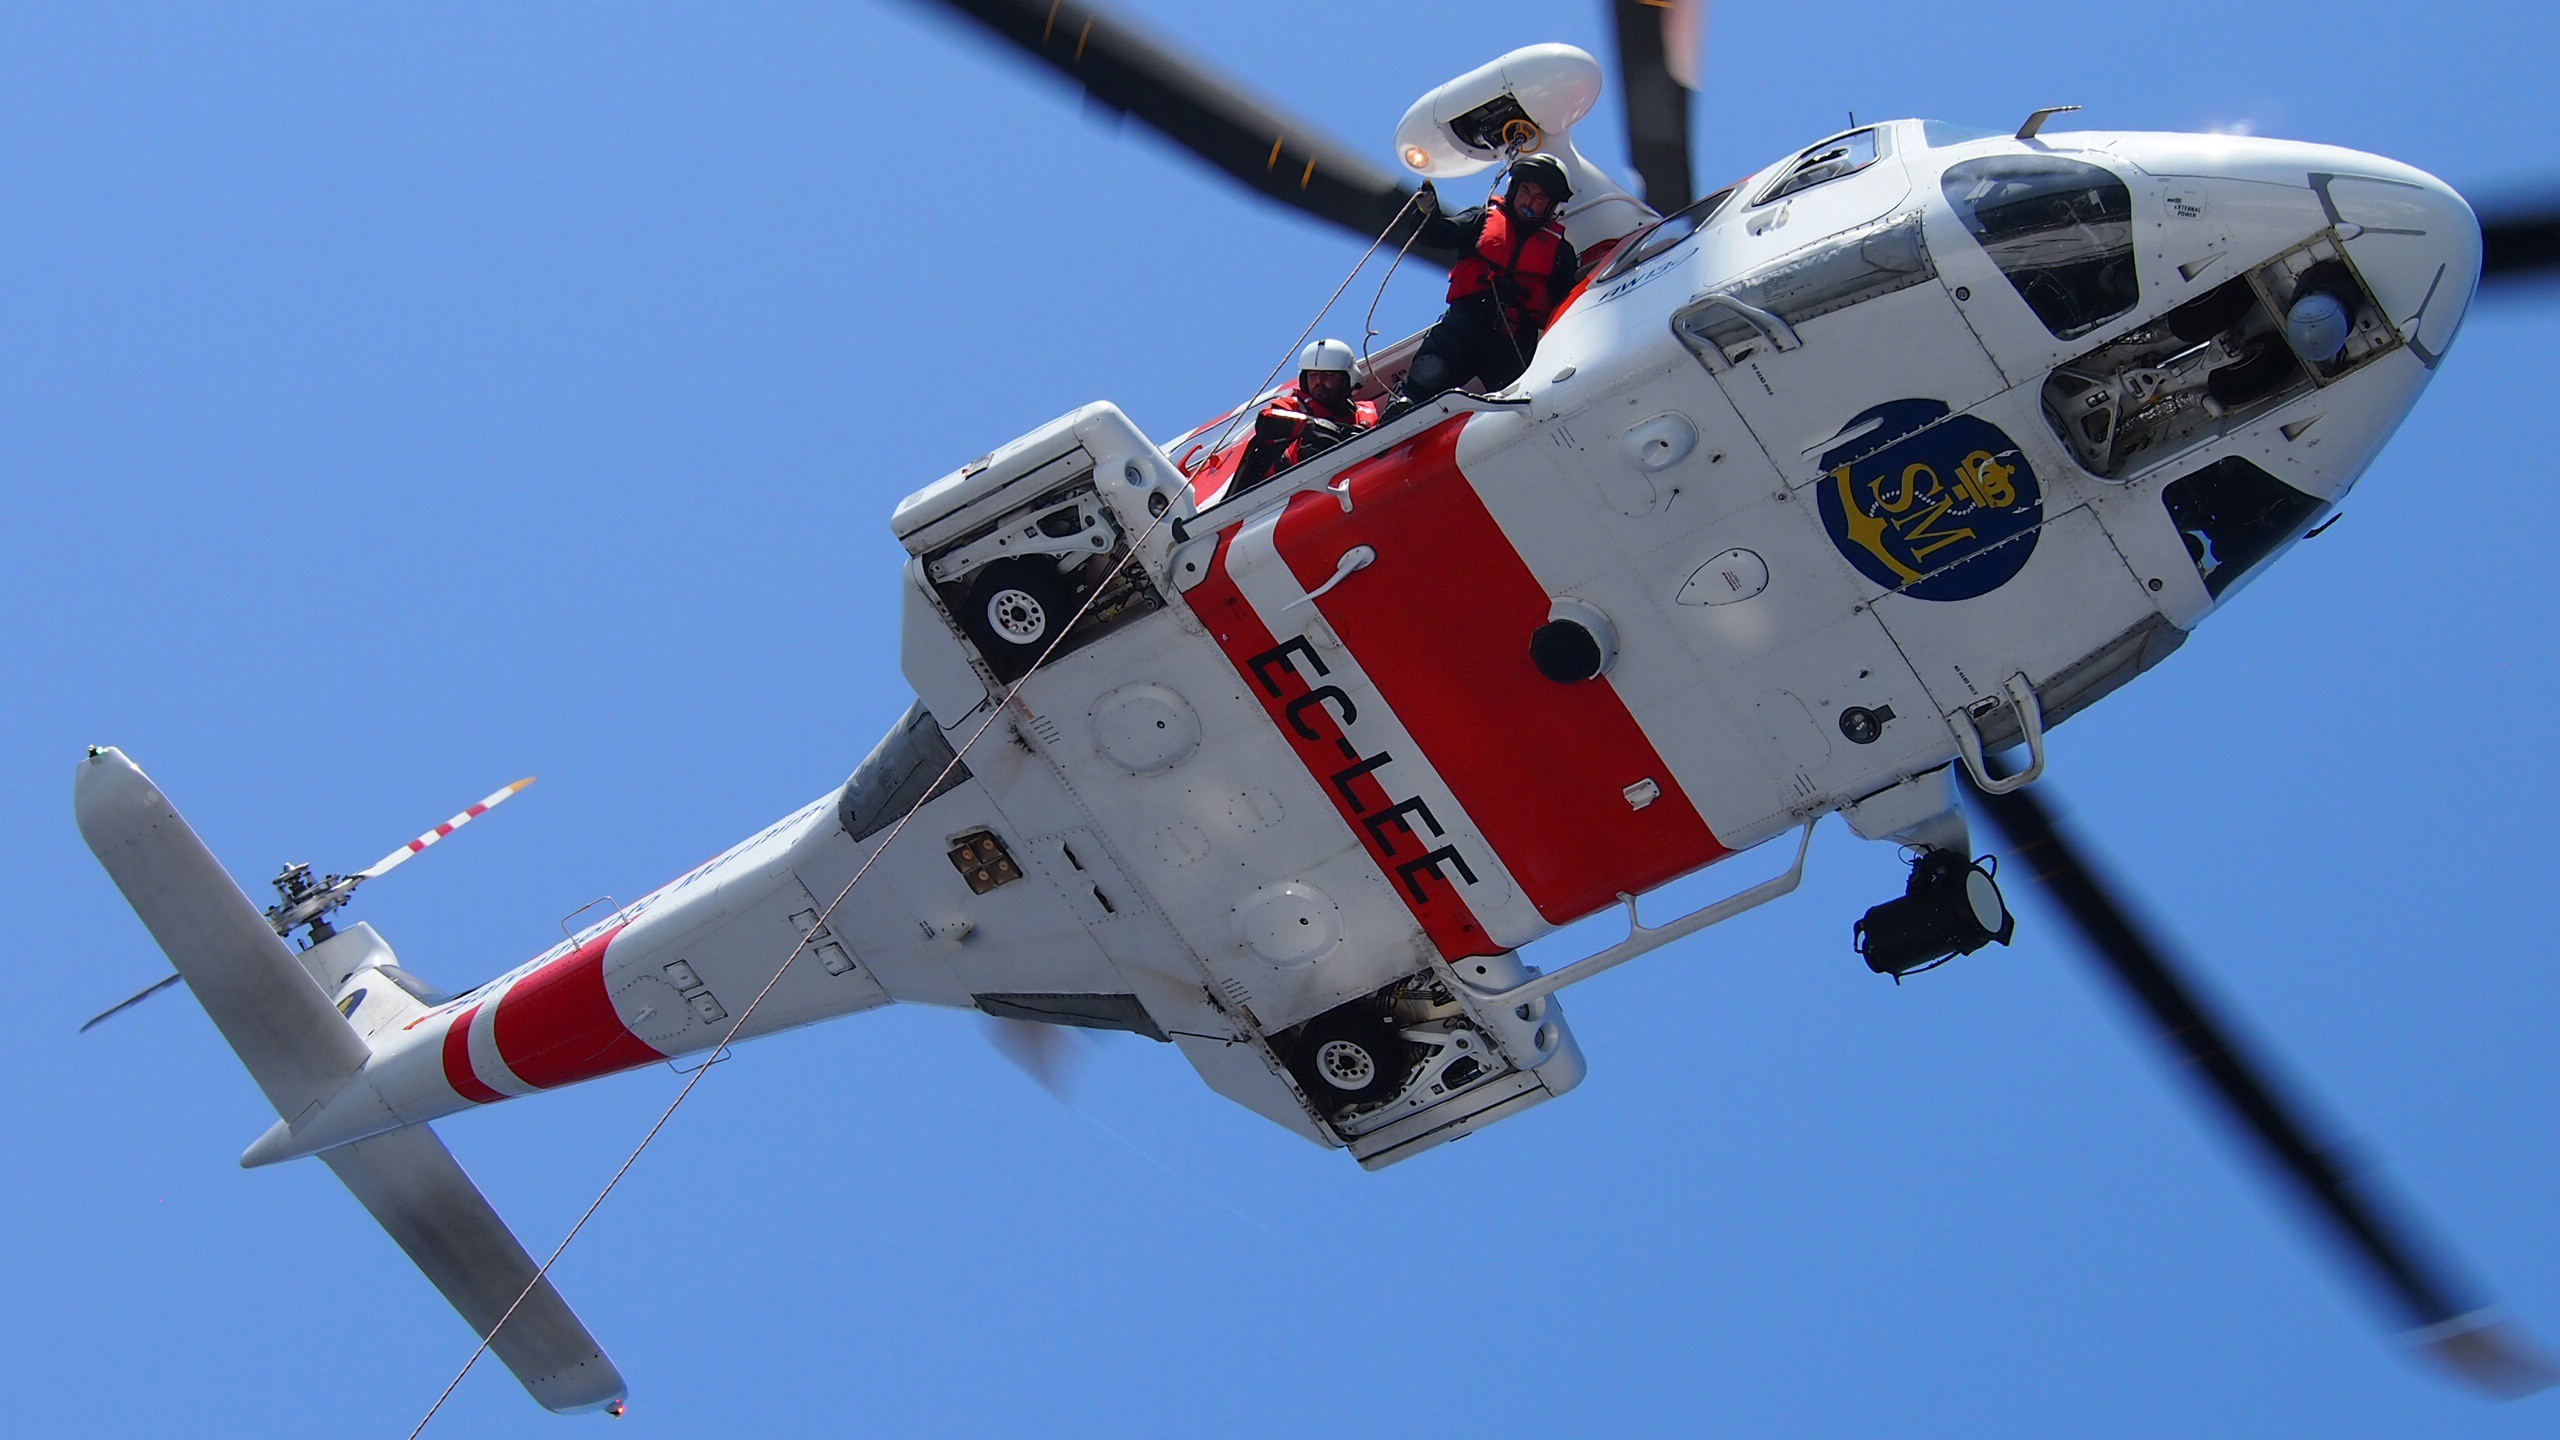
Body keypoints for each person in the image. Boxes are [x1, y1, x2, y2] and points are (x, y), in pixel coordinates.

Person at [1396, 153, 1581, 409]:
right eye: (1526, 191)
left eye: (1540, 198)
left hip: (1512, 341)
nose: (1529, 201)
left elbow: (1566, 306)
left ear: (1550, 206)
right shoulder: (1481, 219)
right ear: (1514, 190)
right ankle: (1398, 416)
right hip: (1464, 326)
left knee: (1523, 400)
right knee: (1429, 372)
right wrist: (1427, 213)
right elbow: (1439, 235)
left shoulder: (1561, 254)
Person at [1232, 338, 1379, 495]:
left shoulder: (1365, 411)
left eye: (1328, 375)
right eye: (1313, 375)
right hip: (1286, 488)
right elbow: (1266, 421)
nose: (1319, 382)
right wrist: (1310, 426)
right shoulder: (1293, 406)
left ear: (1347, 379)